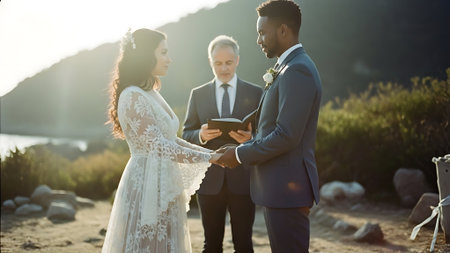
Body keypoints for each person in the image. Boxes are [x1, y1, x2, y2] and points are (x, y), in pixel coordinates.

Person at [215, 1, 322, 252]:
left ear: (283, 30)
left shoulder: (297, 70)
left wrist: (240, 155)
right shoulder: (286, 66)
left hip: (287, 189)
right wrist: (246, 142)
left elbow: (286, 135)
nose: (258, 40)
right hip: (280, 188)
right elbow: (274, 126)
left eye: (262, 32)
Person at [102, 28, 222, 253]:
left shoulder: (151, 93)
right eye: (164, 52)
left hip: (164, 183)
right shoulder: (132, 96)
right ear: (147, 55)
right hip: (145, 183)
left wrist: (210, 154)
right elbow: (159, 146)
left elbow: (171, 140)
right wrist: (211, 157)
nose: (169, 59)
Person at [182, 35, 262, 253]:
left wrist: (251, 140)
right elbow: (186, 133)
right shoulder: (197, 94)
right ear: (211, 62)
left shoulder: (256, 93)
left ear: (237, 60)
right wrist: (201, 135)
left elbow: (267, 135)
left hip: (244, 179)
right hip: (209, 180)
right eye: (218, 63)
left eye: (228, 62)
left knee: (244, 245)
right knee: (211, 245)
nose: (224, 68)